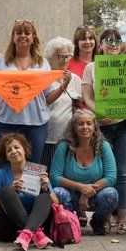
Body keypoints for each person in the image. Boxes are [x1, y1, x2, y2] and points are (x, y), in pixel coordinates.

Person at [0, 20, 68, 165]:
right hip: (6, 123)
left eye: (27, 33)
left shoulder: (42, 63)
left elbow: (48, 98)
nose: (23, 36)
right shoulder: (1, 62)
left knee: (32, 168)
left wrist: (63, 87)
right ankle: (6, 189)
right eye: (18, 33)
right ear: (13, 37)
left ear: (33, 38)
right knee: (3, 166)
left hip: (36, 124)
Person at [81, 29, 126, 234]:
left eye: (117, 40)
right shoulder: (91, 67)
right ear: (101, 44)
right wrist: (99, 112)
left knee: (123, 173)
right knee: (105, 173)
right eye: (109, 40)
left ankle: (121, 219)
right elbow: (87, 98)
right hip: (102, 127)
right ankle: (104, 217)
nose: (113, 44)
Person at [50, 110, 119, 235]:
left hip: (95, 195)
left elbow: (111, 177)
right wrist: (81, 187)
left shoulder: (103, 145)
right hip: (70, 194)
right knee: (57, 193)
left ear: (94, 127)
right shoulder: (64, 146)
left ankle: (98, 221)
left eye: (89, 123)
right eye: (80, 124)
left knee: (111, 194)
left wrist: (86, 193)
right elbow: (55, 177)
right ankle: (69, 220)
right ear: (74, 128)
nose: (85, 127)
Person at [0, 133, 57, 249]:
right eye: (9, 150)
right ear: (6, 157)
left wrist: (46, 189)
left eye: (17, 147)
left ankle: (28, 233)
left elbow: (56, 203)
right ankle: (32, 232)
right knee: (5, 191)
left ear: (25, 150)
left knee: (45, 197)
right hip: (8, 230)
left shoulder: (38, 172)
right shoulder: (0, 174)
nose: (13, 151)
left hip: (38, 224)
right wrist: (10, 190)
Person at [41, 37, 83, 168]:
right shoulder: (44, 79)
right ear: (50, 57)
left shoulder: (75, 79)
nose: (65, 61)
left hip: (70, 138)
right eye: (61, 57)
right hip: (48, 138)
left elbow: (82, 102)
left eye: (68, 56)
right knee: (47, 173)